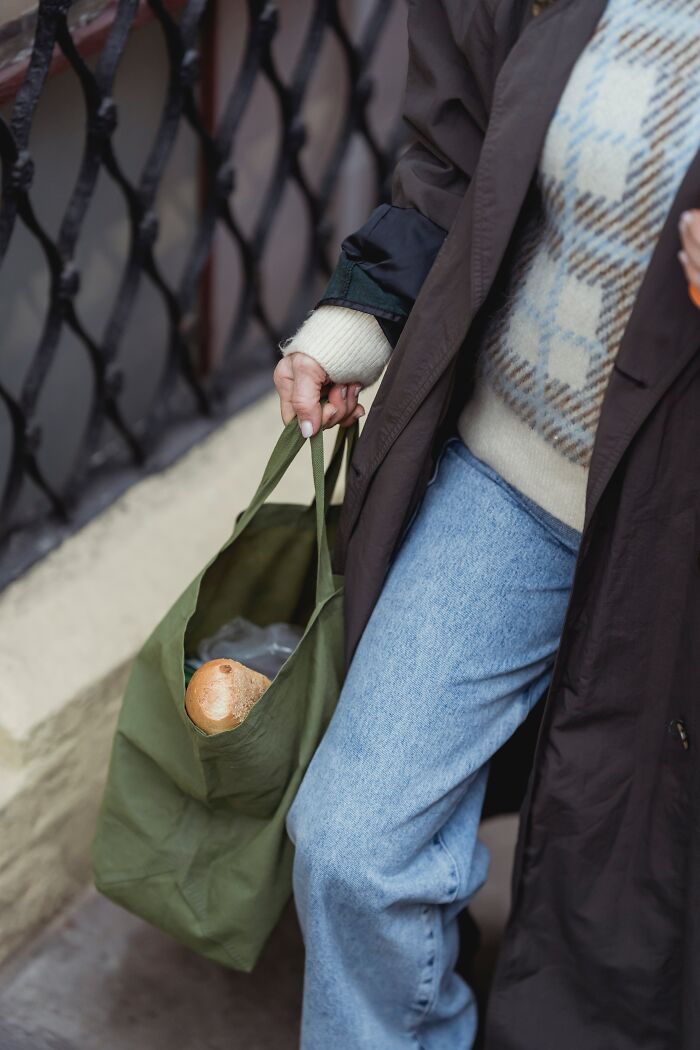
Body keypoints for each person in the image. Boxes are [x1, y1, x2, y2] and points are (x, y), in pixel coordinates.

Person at [273, 1, 700, 1047]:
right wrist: (355, 324)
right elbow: (452, 151)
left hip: (674, 540)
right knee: (353, 844)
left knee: (633, 926)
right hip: (508, 479)